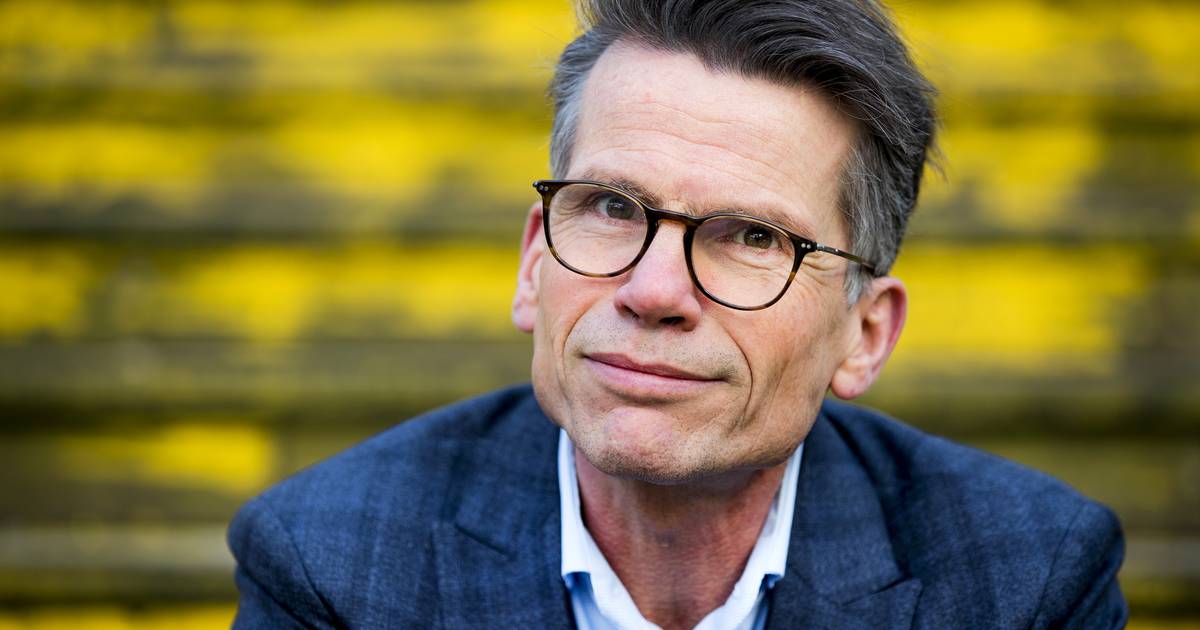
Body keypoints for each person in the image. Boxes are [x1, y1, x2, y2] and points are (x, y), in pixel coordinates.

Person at [227, 0, 1127, 627]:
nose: (653, 291)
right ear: (535, 261)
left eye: (753, 237)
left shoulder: (1027, 580)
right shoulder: (333, 563)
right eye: (612, 208)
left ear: (863, 335)